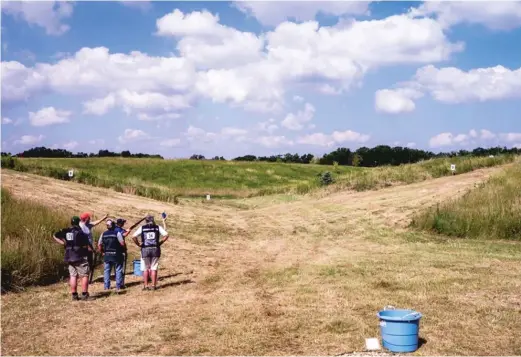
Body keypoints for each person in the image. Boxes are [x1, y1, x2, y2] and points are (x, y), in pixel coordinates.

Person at [53, 216, 94, 301]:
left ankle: (74, 295)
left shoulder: (66, 231)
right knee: (85, 275)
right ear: (78, 222)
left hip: (69, 256)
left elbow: (55, 235)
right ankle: (84, 294)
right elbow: (87, 244)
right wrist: (92, 250)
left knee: (73, 276)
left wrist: (64, 243)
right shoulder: (80, 232)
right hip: (79, 256)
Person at [132, 215, 169, 290]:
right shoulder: (157, 227)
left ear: (146, 221)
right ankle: (153, 286)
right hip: (155, 249)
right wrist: (160, 243)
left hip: (145, 249)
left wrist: (139, 244)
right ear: (153, 220)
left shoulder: (142, 228)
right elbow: (166, 235)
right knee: (154, 268)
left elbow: (133, 236)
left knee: (145, 268)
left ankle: (146, 286)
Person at [98, 219, 126, 293]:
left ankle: (106, 287)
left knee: (107, 271)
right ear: (113, 225)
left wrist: (102, 252)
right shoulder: (117, 233)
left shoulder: (103, 234)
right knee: (118, 269)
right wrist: (124, 250)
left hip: (107, 254)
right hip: (116, 254)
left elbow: (99, 245)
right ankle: (118, 286)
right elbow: (122, 243)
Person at [79, 212, 108, 277]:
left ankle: (87, 277)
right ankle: (84, 276)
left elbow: (96, 222)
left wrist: (103, 218)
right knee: (85, 261)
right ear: (86, 219)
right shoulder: (80, 226)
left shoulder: (88, 224)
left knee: (90, 261)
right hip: (84, 246)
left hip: (89, 245)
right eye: (89, 218)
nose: (90, 219)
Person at [115, 218, 130, 288]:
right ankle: (121, 284)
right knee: (121, 268)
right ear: (120, 223)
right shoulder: (119, 230)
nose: (124, 224)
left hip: (114, 250)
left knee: (116, 268)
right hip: (121, 250)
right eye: (123, 223)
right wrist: (128, 231)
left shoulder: (113, 229)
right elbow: (123, 235)